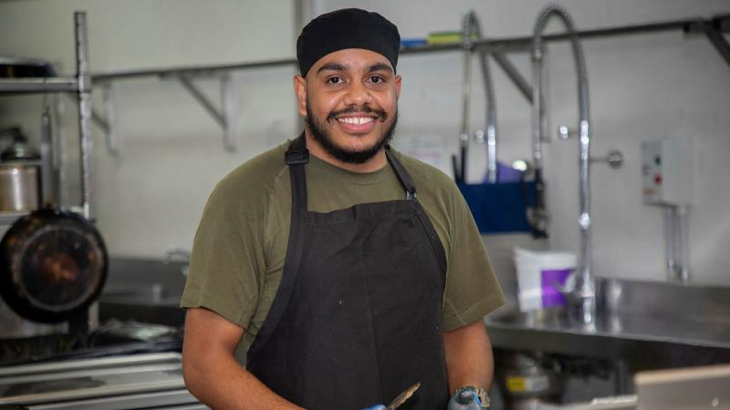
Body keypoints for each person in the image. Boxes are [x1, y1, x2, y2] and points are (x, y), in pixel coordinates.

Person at [180, 8, 505, 410]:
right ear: (303, 94)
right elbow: (204, 362)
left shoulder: (436, 192)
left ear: (396, 89)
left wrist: (469, 396)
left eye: (375, 79)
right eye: (335, 79)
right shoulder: (248, 195)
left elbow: (464, 331)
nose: (358, 97)